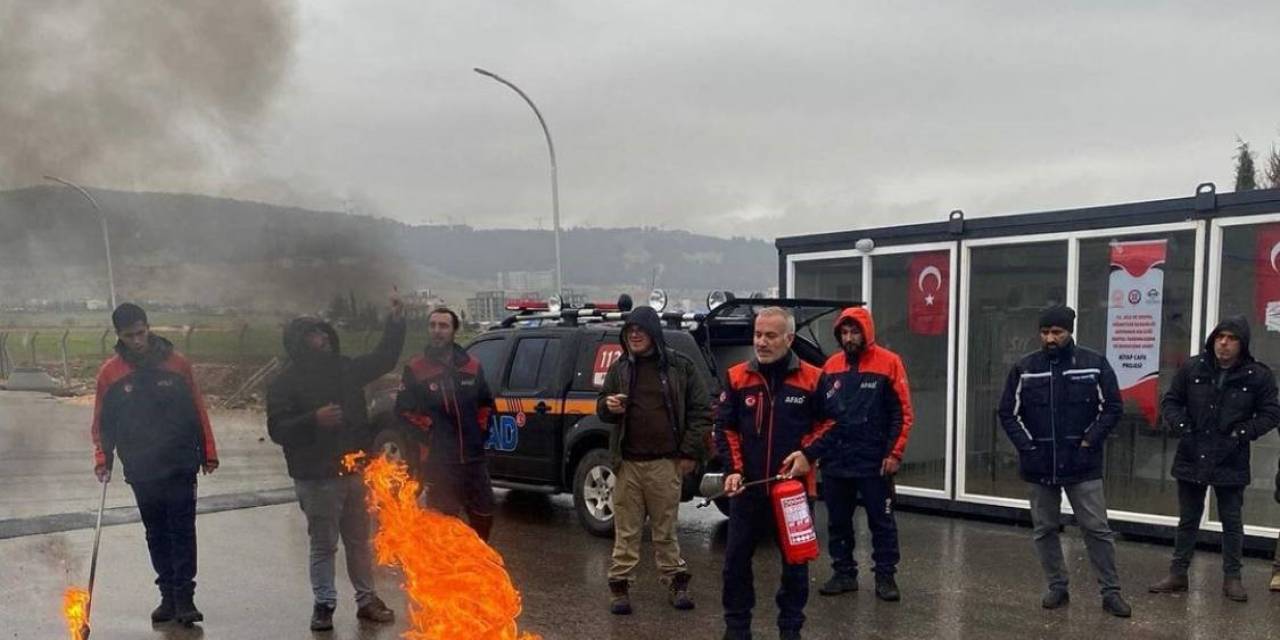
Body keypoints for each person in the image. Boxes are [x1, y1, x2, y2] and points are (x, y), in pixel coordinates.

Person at [267, 292, 405, 631]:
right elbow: (277, 429)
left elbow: (384, 358)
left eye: (325, 333)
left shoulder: (345, 368)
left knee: (359, 541)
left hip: (354, 471)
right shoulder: (285, 382)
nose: (323, 339)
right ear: (299, 343)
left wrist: (396, 322)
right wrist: (314, 419)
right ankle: (324, 604)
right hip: (317, 477)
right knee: (324, 544)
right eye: (314, 335)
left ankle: (367, 599)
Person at [997, 305, 1131, 617]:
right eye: (1045, 332)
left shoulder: (1093, 363)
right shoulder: (1025, 367)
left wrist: (1089, 441)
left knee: (1096, 528)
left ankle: (1110, 592)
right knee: (1044, 528)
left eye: (1056, 332)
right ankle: (1057, 586)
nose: (1050, 338)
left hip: (1082, 463)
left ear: (1069, 331)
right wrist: (1027, 448)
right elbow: (1007, 412)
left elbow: (1112, 407)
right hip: (1039, 464)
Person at [92, 303, 219, 625]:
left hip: (179, 461)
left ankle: (185, 598)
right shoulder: (110, 373)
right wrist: (102, 457)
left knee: (182, 530)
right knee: (156, 532)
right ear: (119, 335)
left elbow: (197, 409)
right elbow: (102, 423)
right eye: (129, 335)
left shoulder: (177, 364)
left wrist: (208, 450)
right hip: (141, 465)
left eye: (141, 332)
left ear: (148, 327)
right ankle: (167, 595)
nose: (137, 340)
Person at [716, 307, 836, 640]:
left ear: (789, 338)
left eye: (770, 335)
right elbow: (725, 428)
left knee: (796, 566)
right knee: (736, 563)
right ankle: (737, 628)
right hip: (748, 491)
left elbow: (834, 423)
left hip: (794, 493)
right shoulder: (738, 377)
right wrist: (734, 470)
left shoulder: (813, 378)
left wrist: (807, 454)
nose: (762, 342)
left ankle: (790, 629)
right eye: (757, 334)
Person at [1149, 316, 1280, 602]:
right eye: (1220, 336)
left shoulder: (1257, 375)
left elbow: (1271, 413)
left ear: (1241, 344)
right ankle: (1178, 573)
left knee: (1232, 521)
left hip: (1230, 457)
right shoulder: (1193, 367)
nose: (1224, 343)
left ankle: (1232, 578)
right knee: (1188, 519)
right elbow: (1171, 401)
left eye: (1231, 338)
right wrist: (1182, 426)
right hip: (1192, 454)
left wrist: (1243, 432)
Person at [596, 306, 712, 614]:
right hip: (627, 464)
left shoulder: (680, 366)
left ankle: (676, 583)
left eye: (641, 330)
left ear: (654, 334)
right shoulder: (620, 368)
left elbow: (702, 412)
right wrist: (608, 407)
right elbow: (601, 407)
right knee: (626, 531)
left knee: (665, 530)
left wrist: (689, 452)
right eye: (630, 330)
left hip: (665, 463)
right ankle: (619, 589)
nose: (634, 335)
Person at [816, 306, 914, 602]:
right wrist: (818, 451)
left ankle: (885, 576)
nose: (849, 338)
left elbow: (903, 413)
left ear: (866, 332)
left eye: (854, 331)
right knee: (837, 521)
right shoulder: (830, 366)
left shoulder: (889, 363)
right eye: (844, 333)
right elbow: (820, 414)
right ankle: (844, 573)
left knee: (881, 521)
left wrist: (894, 453)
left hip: (875, 461)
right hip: (836, 461)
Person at [396, 307, 497, 538]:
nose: (437, 331)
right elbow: (403, 412)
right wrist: (429, 433)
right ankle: (448, 572)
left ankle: (477, 569)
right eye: (432, 325)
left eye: (443, 326)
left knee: (483, 518)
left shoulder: (472, 366)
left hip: (473, 461)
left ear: (453, 331)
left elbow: (486, 404)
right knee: (444, 527)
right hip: (439, 464)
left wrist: (480, 433)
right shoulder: (416, 368)